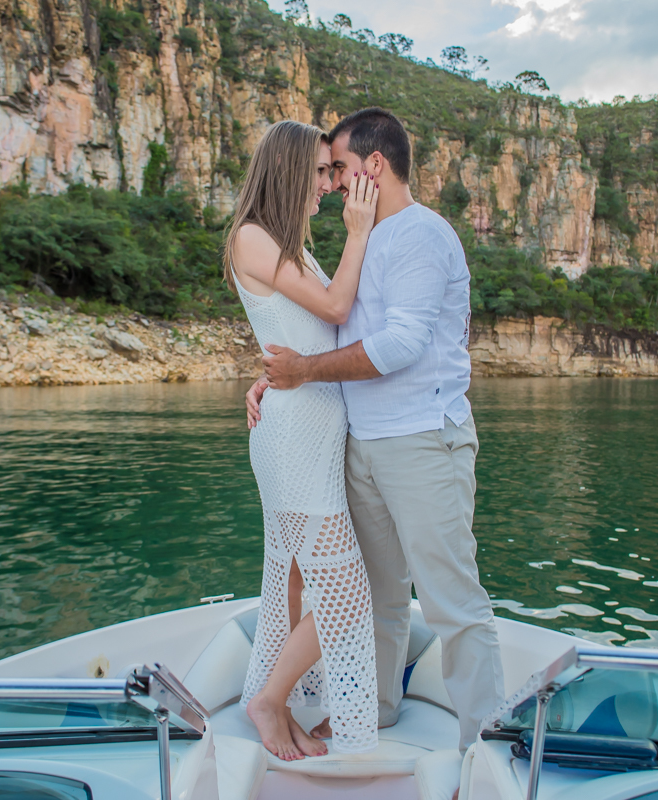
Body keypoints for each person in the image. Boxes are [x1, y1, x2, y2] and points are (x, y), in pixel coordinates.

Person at [246, 107, 505, 754]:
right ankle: (378, 708)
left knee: (452, 603)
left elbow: (400, 345)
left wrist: (304, 370)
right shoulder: (364, 237)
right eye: (323, 171)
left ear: (375, 166)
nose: (330, 183)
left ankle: (490, 746)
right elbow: (331, 324)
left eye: (338, 168)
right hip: (358, 444)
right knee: (380, 595)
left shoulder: (421, 235)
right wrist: (272, 375)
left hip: (422, 440)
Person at [225, 120, 381, 759]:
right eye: (320, 172)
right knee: (345, 592)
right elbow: (335, 309)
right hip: (293, 439)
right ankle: (266, 699)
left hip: (306, 427)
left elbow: (302, 332)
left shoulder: (283, 242)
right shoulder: (253, 237)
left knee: (290, 584)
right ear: (289, 170)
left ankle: (277, 706)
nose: (329, 183)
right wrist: (360, 230)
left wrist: (263, 373)